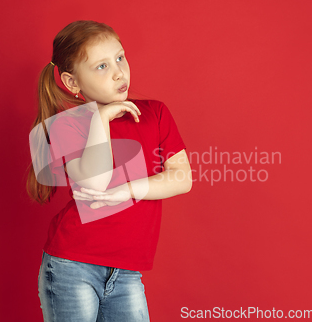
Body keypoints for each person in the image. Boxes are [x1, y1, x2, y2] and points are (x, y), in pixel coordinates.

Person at [26, 20, 192, 322]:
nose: (119, 71)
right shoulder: (68, 126)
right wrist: (100, 119)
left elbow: (182, 178)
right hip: (72, 266)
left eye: (120, 57)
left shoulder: (154, 114)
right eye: (101, 66)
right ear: (72, 82)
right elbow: (96, 180)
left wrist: (127, 190)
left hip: (127, 272)